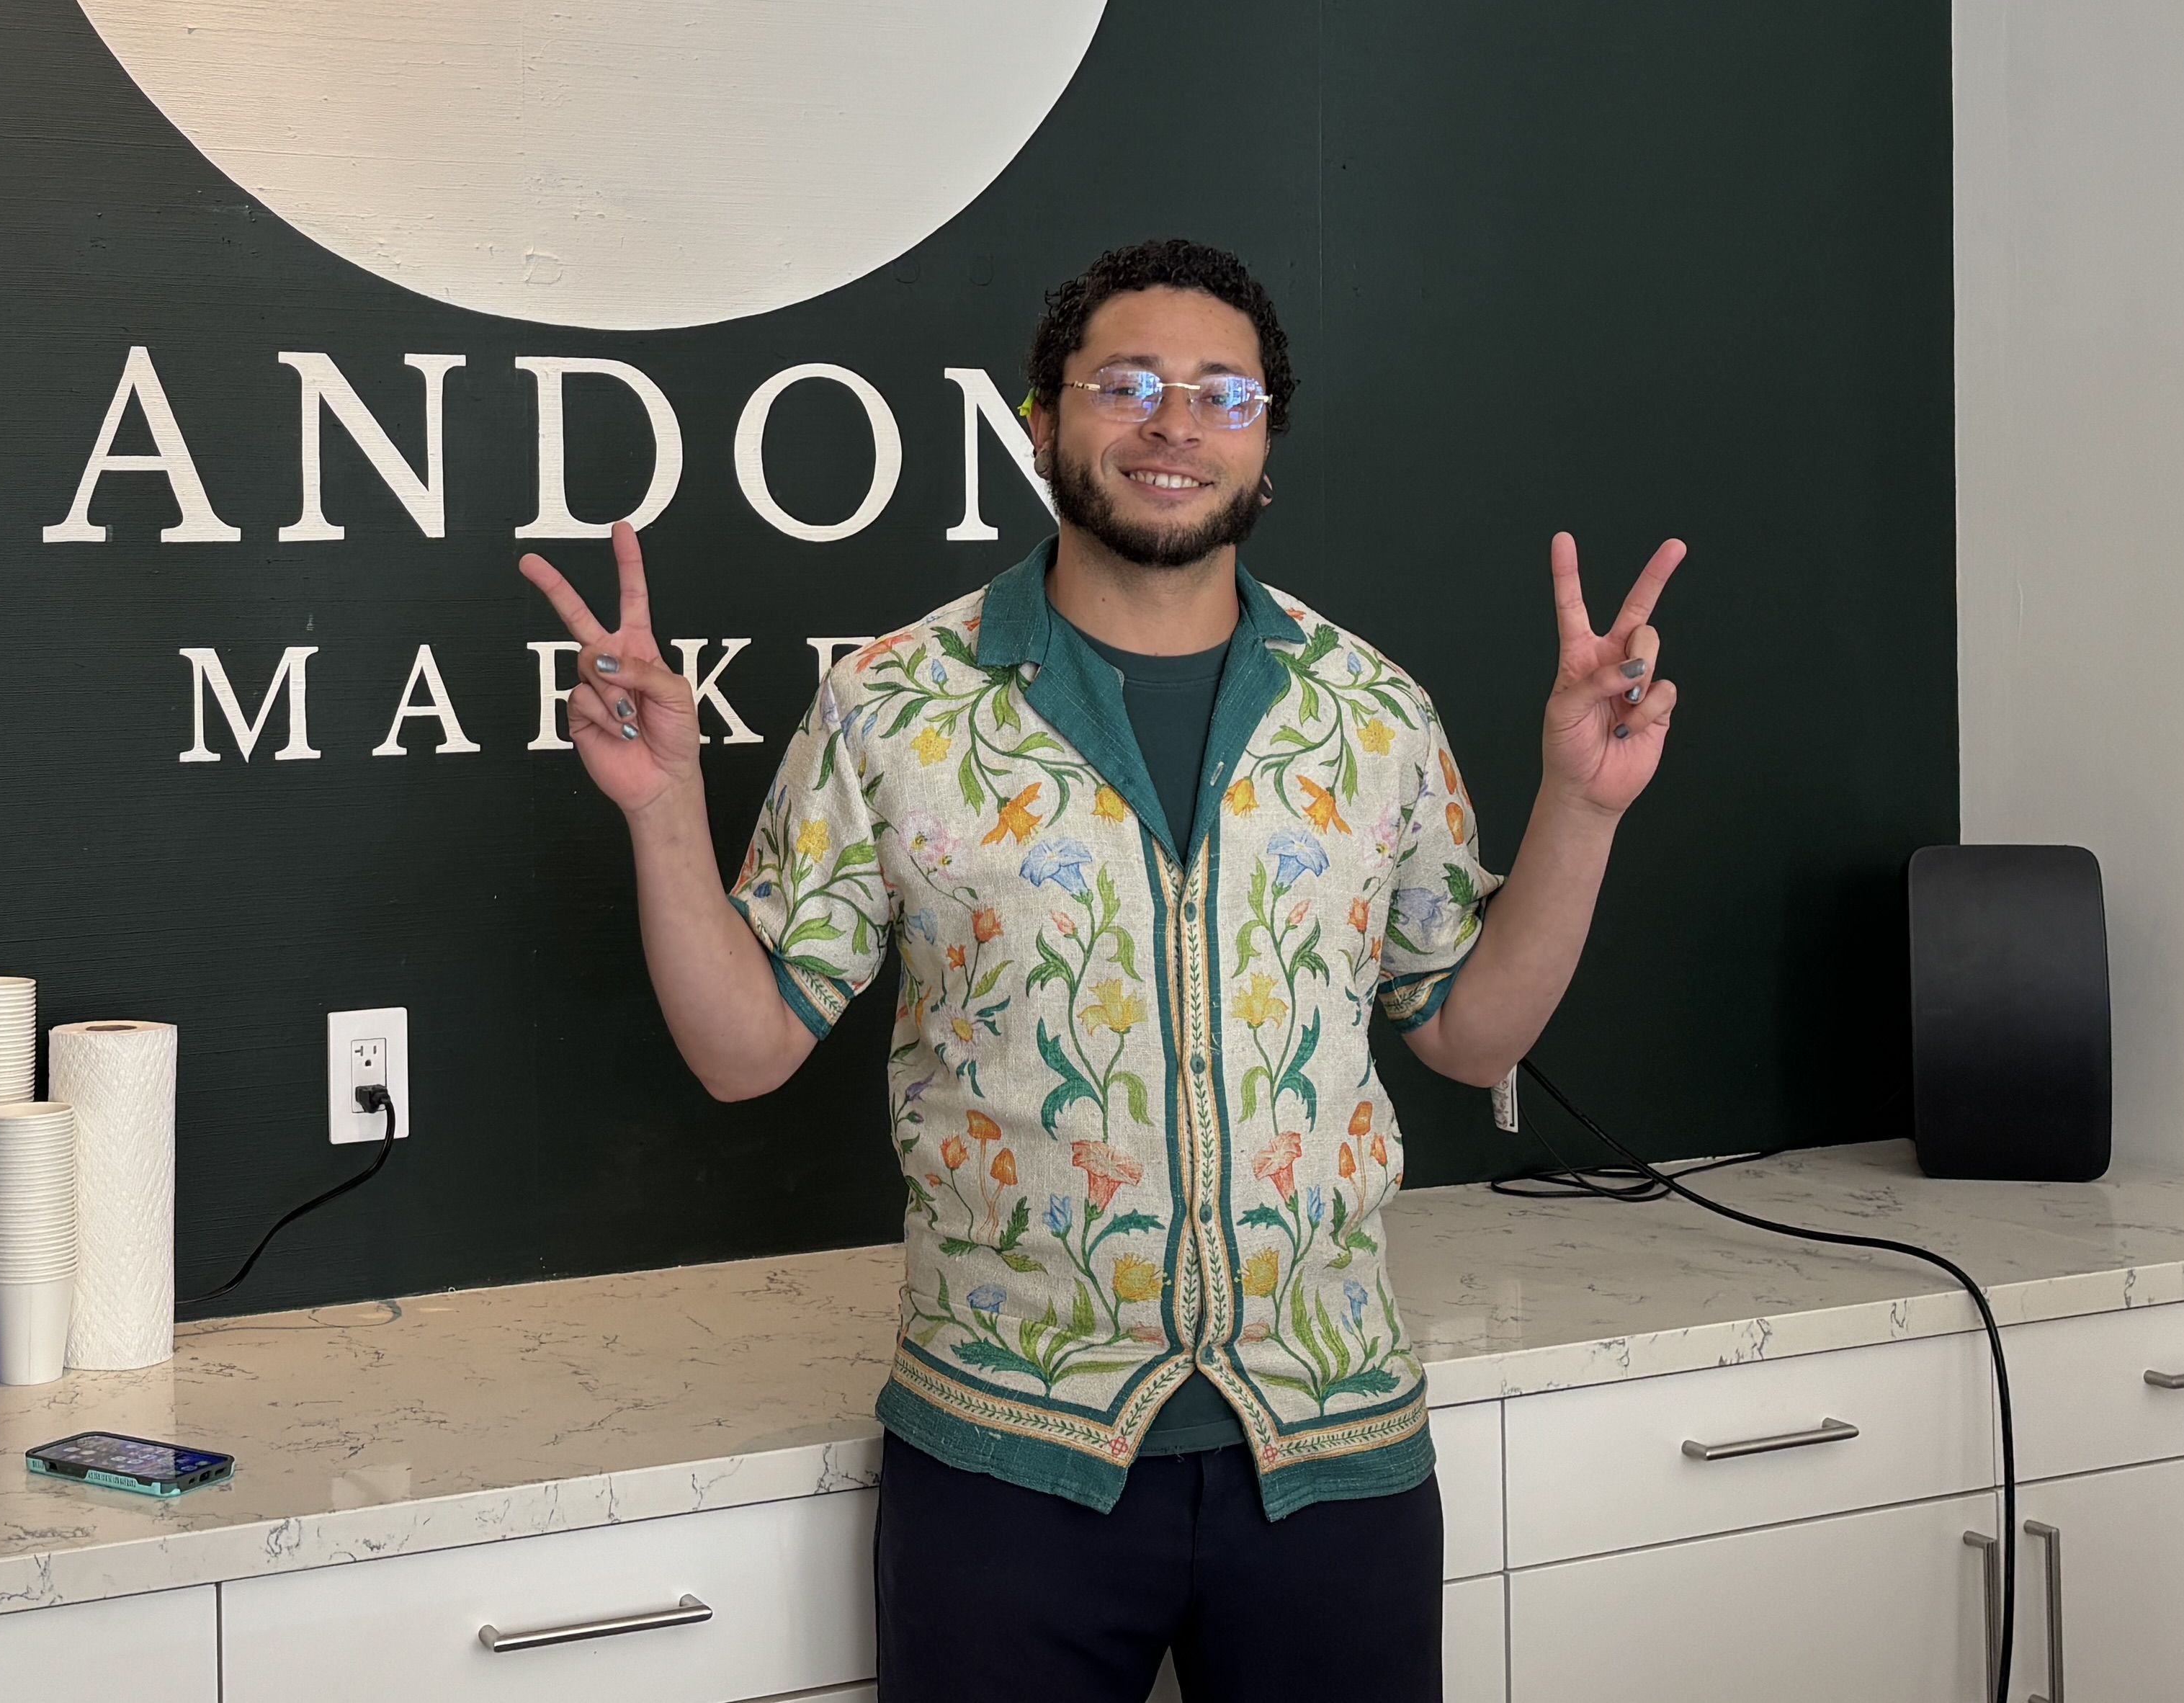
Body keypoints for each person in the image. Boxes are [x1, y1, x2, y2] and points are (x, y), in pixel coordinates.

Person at [522, 238, 1683, 1702]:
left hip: (1332, 1454)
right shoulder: (898, 700)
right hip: (1007, 1467)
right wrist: (661, 808)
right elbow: (742, 1048)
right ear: (1041, 419)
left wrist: (1581, 803)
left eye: (1221, 394)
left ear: (1269, 439)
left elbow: (1465, 1027)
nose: (1173, 423)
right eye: (1125, 383)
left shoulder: (1373, 709)